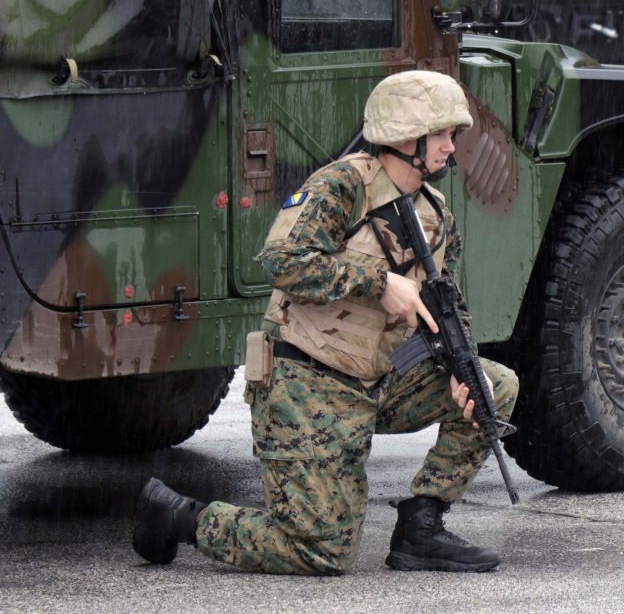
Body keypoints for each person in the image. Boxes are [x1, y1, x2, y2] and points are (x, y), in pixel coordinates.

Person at [130, 70, 520, 575]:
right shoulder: (342, 187)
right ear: (408, 135)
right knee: (321, 552)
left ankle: (421, 528)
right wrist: (379, 284)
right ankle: (180, 516)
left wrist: (457, 365)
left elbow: (450, 305)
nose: (452, 146)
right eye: (444, 134)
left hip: (381, 379)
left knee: (494, 388)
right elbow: (282, 259)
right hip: (307, 384)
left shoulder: (436, 213)